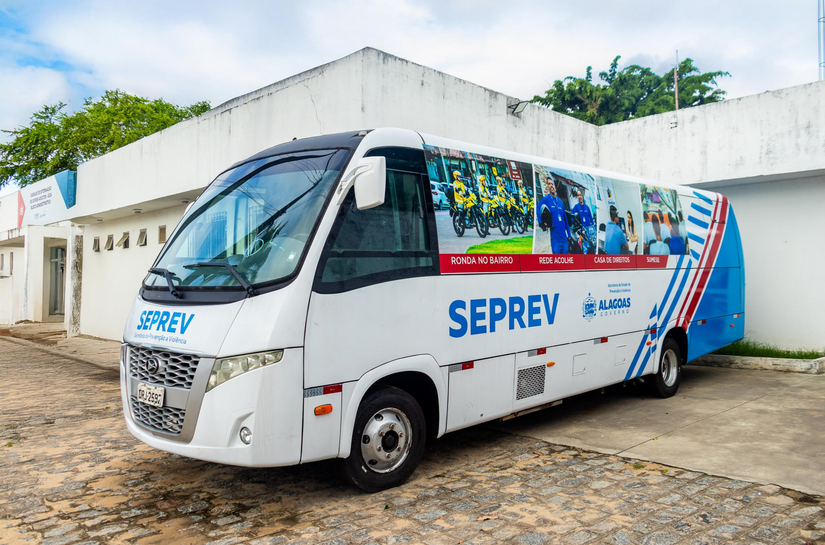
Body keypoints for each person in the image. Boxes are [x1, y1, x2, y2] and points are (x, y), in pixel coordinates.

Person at [536, 176, 571, 254]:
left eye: (552, 184)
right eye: (549, 184)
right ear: (547, 187)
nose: (551, 185)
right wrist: (541, 222)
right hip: (555, 239)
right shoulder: (546, 199)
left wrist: (569, 235)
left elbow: (565, 219)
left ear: (555, 186)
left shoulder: (560, 201)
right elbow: (538, 208)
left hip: (564, 239)